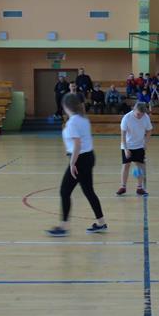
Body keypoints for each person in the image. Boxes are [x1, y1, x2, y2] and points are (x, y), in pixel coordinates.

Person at [46, 94, 107, 237]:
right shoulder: (84, 119)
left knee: (65, 191)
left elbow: (77, 145)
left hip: (79, 160)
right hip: (88, 157)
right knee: (88, 191)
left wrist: (72, 163)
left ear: (66, 106)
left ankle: (63, 227)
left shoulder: (73, 122)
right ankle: (101, 222)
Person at [117, 102, 152, 196]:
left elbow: (149, 130)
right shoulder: (126, 118)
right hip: (127, 145)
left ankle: (139, 188)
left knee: (140, 165)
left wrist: (145, 142)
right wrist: (125, 149)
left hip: (139, 145)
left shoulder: (146, 117)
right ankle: (123, 187)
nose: (140, 116)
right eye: (138, 114)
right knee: (126, 165)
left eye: (142, 114)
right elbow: (123, 135)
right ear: (134, 110)